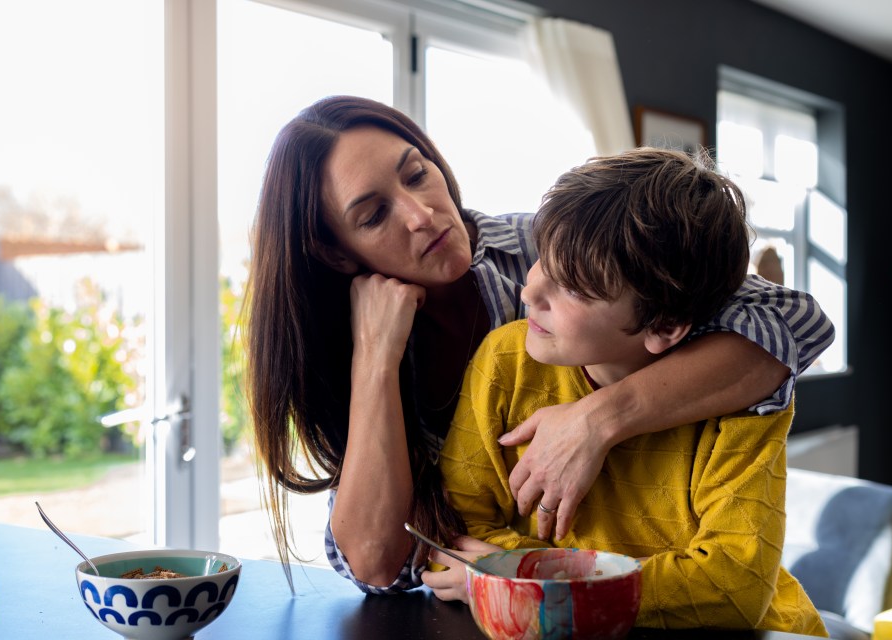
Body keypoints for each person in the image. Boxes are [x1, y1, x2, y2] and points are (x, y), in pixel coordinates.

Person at [242, 95, 834, 594]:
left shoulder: (546, 245)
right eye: (374, 215)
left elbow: (793, 321)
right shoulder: (343, 339)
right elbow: (377, 564)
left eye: (417, 173)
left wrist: (596, 420)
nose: (423, 215)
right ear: (336, 252)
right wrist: (375, 358)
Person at [432, 148, 827, 634]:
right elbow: (450, 542)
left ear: (663, 325)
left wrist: (521, 575)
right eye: (541, 260)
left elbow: (732, 587)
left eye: (574, 287)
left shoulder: (739, 399)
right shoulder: (506, 359)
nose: (530, 292)